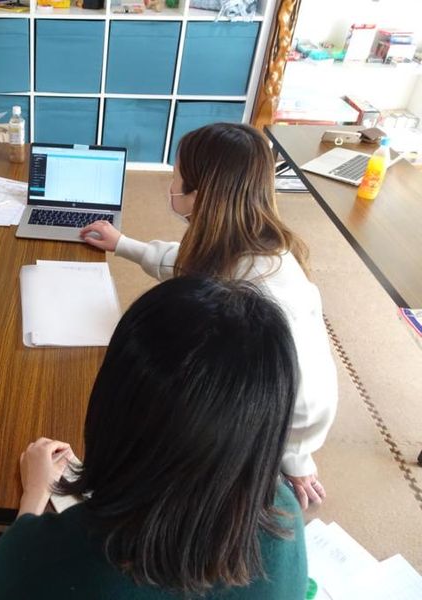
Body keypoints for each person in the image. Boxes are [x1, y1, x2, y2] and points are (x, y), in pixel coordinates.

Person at [0, 278, 308, 599]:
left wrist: (36, 493)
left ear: (110, 405)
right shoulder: (284, 517)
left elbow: (15, 562)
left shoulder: (42, 560)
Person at [80, 122, 337, 510]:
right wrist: (125, 245)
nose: (170, 184)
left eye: (176, 175)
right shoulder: (238, 240)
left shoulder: (269, 295)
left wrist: (296, 455)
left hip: (240, 421)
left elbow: (312, 391)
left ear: (197, 195)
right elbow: (189, 264)